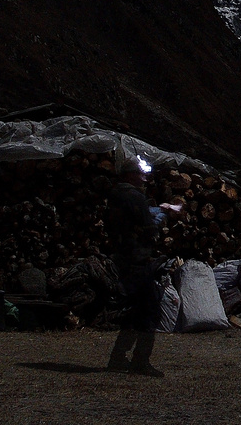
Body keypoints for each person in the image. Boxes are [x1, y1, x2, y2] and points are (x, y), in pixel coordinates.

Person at [107, 156, 182, 375]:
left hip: (123, 258)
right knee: (149, 308)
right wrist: (163, 216)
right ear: (130, 175)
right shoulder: (134, 196)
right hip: (137, 260)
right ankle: (140, 360)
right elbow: (148, 229)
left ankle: (118, 358)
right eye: (140, 174)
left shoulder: (115, 195)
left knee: (135, 310)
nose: (144, 178)